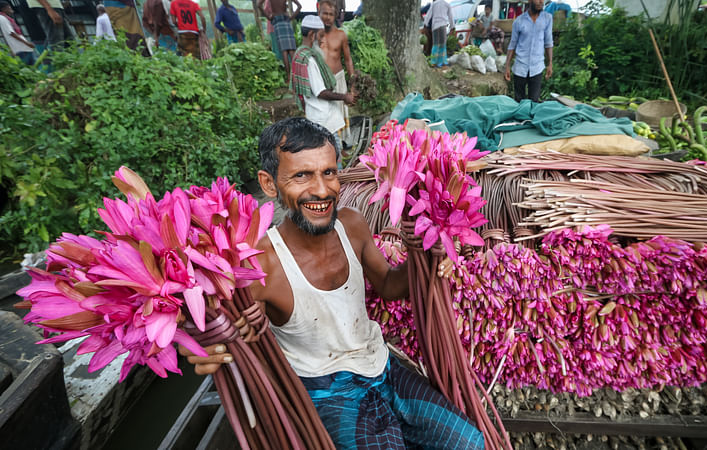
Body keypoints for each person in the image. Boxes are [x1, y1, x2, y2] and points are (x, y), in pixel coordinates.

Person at [182, 116, 486, 449]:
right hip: (326, 392)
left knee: (469, 442)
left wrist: (423, 258)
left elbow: (387, 285)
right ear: (269, 185)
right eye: (302, 176)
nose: (322, 190)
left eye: (329, 172)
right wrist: (200, 346)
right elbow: (222, 329)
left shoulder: (352, 225)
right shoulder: (261, 264)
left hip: (381, 367)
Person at [289, 15, 354, 162]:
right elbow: (320, 92)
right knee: (334, 157)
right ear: (312, 35)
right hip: (323, 118)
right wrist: (344, 97)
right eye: (320, 36)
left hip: (313, 114)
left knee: (325, 155)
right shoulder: (310, 60)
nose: (322, 39)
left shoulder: (299, 54)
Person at [318, 0, 355, 146]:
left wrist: (352, 83)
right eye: (324, 13)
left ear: (335, 16)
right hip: (321, 81)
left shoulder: (341, 35)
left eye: (331, 14)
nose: (327, 17)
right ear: (319, 13)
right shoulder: (315, 35)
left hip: (338, 78)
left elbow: (348, 60)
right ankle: (326, 142)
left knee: (340, 111)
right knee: (324, 112)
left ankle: (343, 144)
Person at [504, 0, 553, 102]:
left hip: (537, 67)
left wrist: (550, 63)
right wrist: (507, 66)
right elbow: (512, 44)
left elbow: (548, 42)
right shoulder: (519, 21)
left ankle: (530, 118)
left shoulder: (547, 18)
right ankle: (520, 118)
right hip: (520, 67)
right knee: (519, 101)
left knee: (534, 101)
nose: (540, 2)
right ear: (530, 1)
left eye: (542, 0)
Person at [265, 0, 302, 81]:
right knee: (291, 49)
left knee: (284, 50)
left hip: (277, 20)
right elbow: (299, 6)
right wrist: (291, 17)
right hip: (286, 19)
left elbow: (259, 5)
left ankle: (289, 76)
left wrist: (269, 17)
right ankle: (297, 76)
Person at [424, 0, 454, 67]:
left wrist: (425, 25)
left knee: (436, 44)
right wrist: (452, 27)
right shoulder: (447, 4)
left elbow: (428, 15)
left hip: (435, 27)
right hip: (443, 26)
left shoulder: (434, 4)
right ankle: (442, 62)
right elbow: (450, 16)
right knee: (442, 44)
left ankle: (434, 62)